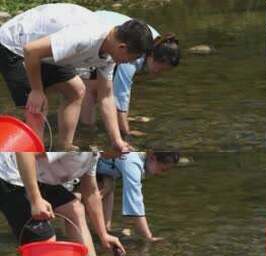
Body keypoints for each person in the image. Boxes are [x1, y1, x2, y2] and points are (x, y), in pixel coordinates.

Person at [0, 3, 153, 150]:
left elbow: (106, 97)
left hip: (46, 50)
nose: (131, 63)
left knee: (76, 91)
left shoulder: (110, 53)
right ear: (122, 48)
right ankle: (35, 156)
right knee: (37, 107)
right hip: (15, 45)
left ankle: (64, 148)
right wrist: (37, 90)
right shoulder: (85, 37)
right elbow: (31, 50)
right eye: (132, 58)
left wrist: (117, 140)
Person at [0, 152, 125, 256]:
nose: (125, 152)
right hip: (9, 177)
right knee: (44, 241)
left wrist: (103, 234)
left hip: (37, 177)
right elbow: (24, 153)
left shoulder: (93, 154)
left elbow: (91, 192)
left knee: (75, 209)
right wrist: (35, 199)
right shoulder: (72, 148)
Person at [80, 10, 181, 137]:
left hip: (107, 29)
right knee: (92, 88)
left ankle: (88, 126)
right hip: (95, 30)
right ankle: (87, 130)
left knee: (101, 86)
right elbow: (122, 93)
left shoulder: (161, 44)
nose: (158, 73)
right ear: (153, 56)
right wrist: (126, 132)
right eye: (160, 69)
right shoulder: (133, 56)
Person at [97, 152, 180, 241]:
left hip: (102, 168)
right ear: (152, 158)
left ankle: (105, 228)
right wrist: (148, 237)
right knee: (103, 190)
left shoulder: (139, 157)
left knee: (109, 186)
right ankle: (98, 229)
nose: (160, 173)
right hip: (89, 166)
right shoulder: (133, 165)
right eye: (162, 169)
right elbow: (135, 203)